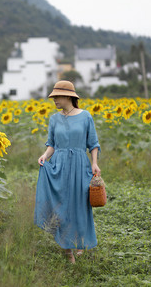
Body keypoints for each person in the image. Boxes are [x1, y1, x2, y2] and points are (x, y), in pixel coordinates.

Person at [34, 80, 101, 264]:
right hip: (59, 165)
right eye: (53, 96)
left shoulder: (86, 116)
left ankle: (79, 241)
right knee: (61, 206)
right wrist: (44, 156)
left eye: (57, 96)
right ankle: (68, 251)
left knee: (80, 205)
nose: (54, 99)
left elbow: (93, 144)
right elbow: (52, 144)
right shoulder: (54, 118)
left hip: (80, 166)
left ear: (68, 96)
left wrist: (95, 163)